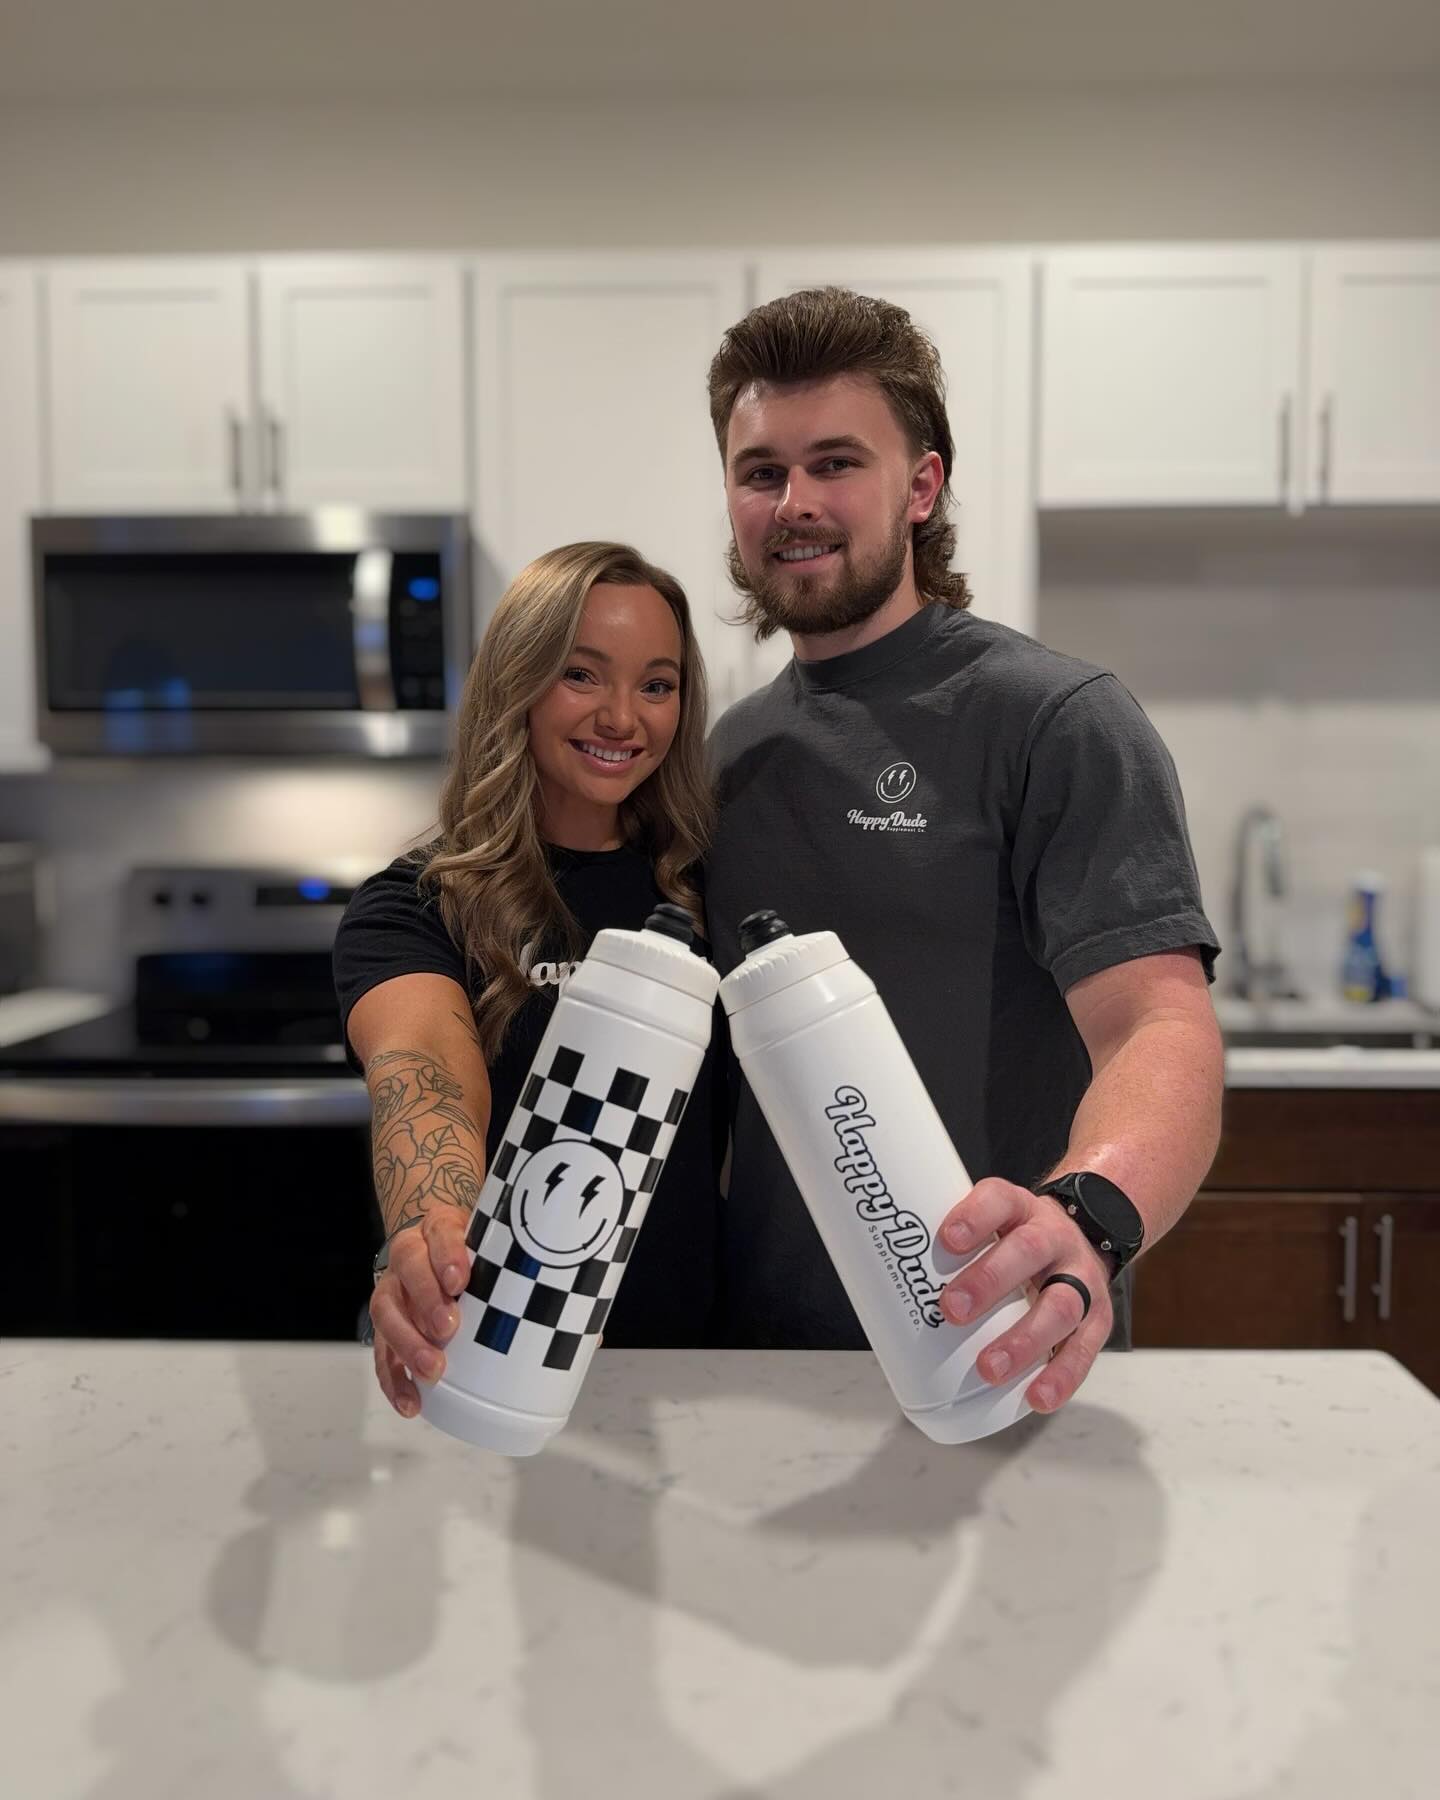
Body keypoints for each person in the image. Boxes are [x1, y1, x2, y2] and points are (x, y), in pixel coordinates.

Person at [702, 287, 1224, 1416]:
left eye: (836, 462)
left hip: (999, 1351)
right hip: (754, 1365)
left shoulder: (1057, 719)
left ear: (923, 486)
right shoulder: (725, 757)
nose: (795, 503)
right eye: (761, 471)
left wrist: (1089, 1217)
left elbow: (1158, 1024)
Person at [333, 541, 721, 1418]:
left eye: (657, 685)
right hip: (482, 1350)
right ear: (519, 681)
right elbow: (424, 1068)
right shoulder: (419, 906)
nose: (624, 717)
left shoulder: (705, 893)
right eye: (582, 676)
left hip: (689, 1370)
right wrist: (429, 1237)